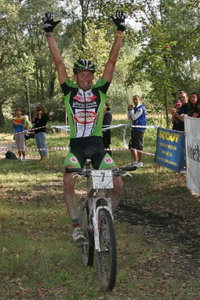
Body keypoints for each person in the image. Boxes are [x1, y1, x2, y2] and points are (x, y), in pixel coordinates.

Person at [42, 10, 125, 243]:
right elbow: (58, 62)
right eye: (82, 74)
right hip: (77, 147)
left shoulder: (100, 91)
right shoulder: (69, 90)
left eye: (89, 75)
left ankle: (103, 216)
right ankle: (77, 226)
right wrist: (49, 33)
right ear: (76, 76)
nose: (86, 78)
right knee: (67, 181)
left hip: (98, 147)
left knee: (117, 183)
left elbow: (112, 62)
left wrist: (120, 32)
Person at [128, 95, 146, 167]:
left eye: (136, 99)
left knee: (139, 145)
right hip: (134, 128)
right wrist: (129, 110)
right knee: (132, 145)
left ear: (140, 100)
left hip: (139, 129)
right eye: (134, 100)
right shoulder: (134, 108)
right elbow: (130, 118)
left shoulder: (141, 108)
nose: (135, 101)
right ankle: (135, 161)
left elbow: (134, 117)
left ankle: (140, 162)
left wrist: (131, 110)